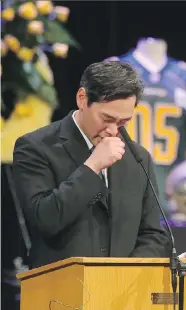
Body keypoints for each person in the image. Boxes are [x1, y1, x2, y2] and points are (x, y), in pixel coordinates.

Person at [12, 61, 170, 268]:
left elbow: (153, 233)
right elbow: (45, 219)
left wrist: (125, 273)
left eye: (123, 122)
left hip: (123, 292)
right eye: (107, 119)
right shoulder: (35, 147)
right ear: (82, 99)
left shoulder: (138, 157)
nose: (113, 131)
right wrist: (92, 167)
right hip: (59, 291)